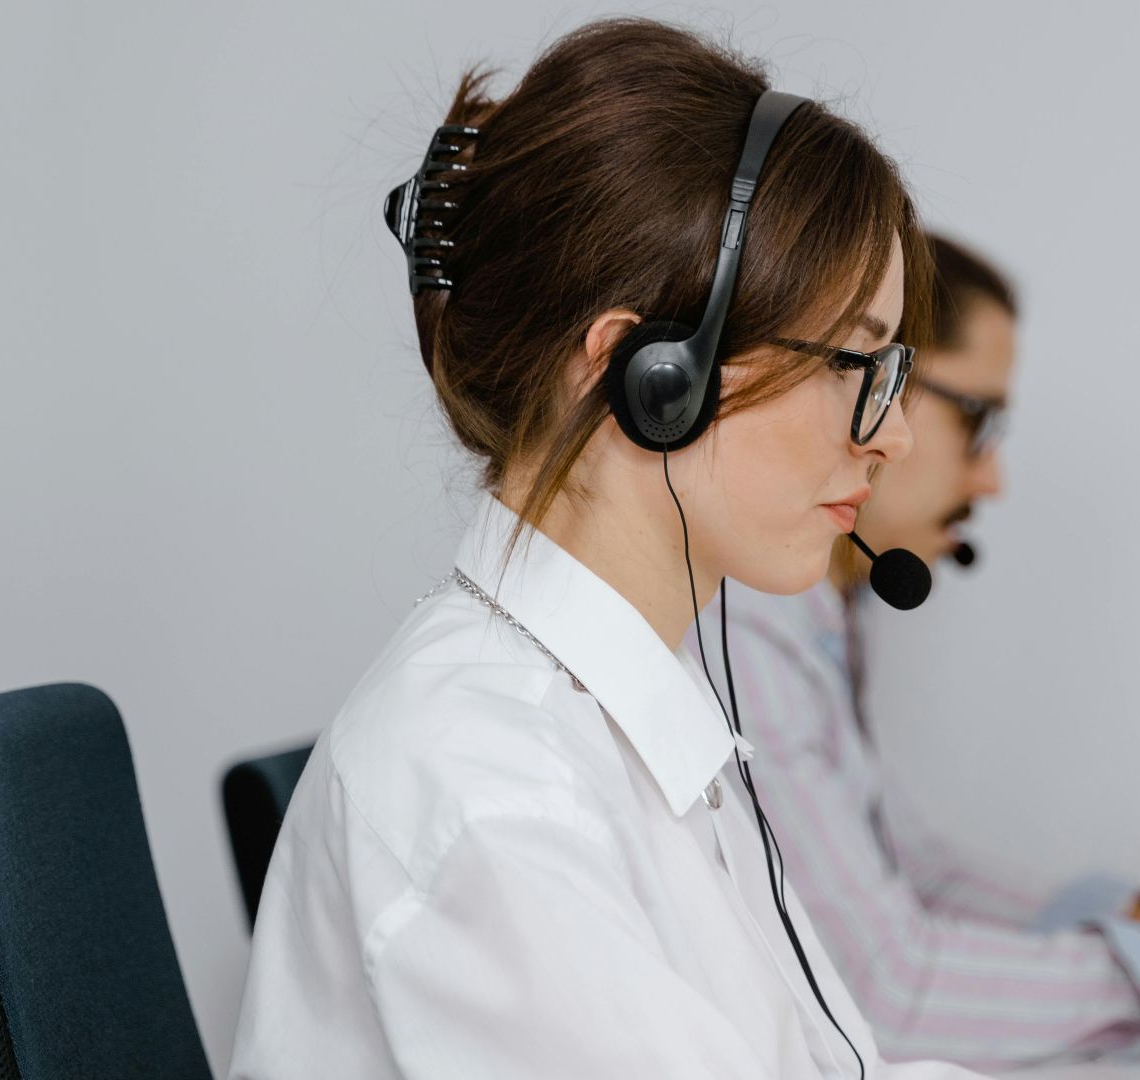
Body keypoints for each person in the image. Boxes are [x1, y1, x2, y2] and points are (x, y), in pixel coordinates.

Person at [229, 20, 986, 1078]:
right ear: (641, 377)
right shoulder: (496, 795)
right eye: (850, 365)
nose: (892, 433)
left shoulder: (618, 717)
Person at [699, 235, 1140, 1070]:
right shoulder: (740, 626)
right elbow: (885, 994)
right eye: (975, 420)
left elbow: (909, 869)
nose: (992, 480)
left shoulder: (809, 619)